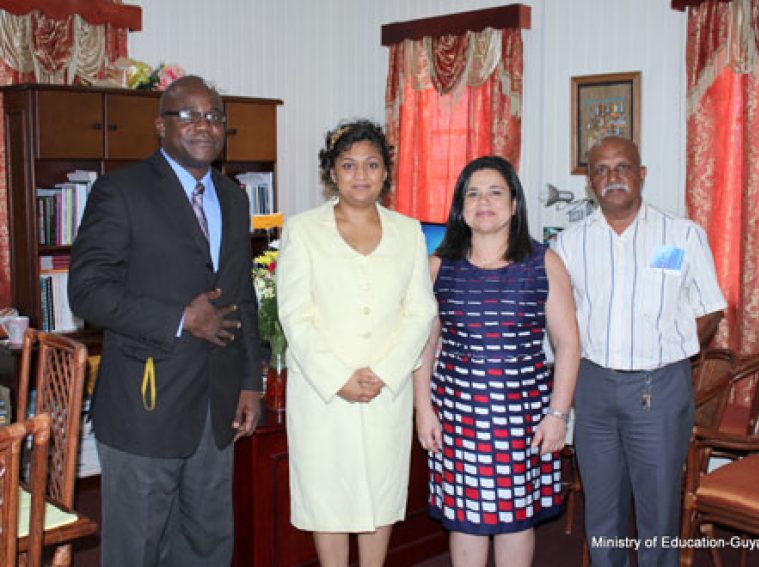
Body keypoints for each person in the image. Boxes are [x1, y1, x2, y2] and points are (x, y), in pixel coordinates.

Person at [68, 75, 262, 566]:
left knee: (207, 542)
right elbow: (87, 291)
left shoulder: (235, 198)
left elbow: (242, 296)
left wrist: (249, 382)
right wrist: (180, 318)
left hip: (214, 408)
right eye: (190, 115)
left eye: (215, 116)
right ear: (161, 125)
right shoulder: (121, 191)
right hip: (144, 406)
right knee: (138, 547)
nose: (205, 125)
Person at [551, 136, 726, 567]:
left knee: (658, 509)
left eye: (622, 167)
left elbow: (710, 309)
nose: (613, 177)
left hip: (660, 387)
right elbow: (558, 321)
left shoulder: (682, 234)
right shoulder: (568, 244)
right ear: (591, 181)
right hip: (593, 389)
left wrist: (672, 349)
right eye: (601, 170)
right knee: (602, 507)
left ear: (641, 174)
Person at [275, 119, 437, 567]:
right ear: (331, 172)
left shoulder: (408, 232)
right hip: (324, 392)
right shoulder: (303, 230)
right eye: (348, 165)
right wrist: (339, 377)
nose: (360, 175)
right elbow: (294, 315)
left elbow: (420, 311)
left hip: (386, 389)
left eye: (371, 164)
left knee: (380, 494)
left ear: (386, 172)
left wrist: (384, 372)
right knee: (328, 496)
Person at [413, 155, 580, 567]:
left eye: (494, 192)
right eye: (472, 193)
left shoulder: (543, 262)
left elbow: (569, 344)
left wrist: (558, 414)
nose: (483, 202)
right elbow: (423, 347)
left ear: (514, 204)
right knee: (464, 519)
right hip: (456, 415)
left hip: (522, 417)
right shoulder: (439, 266)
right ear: (460, 206)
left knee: (515, 518)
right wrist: (423, 410)